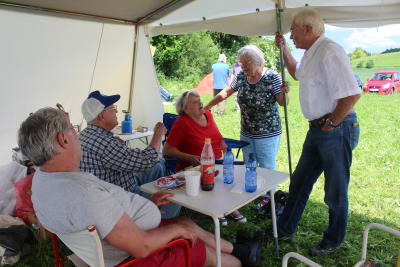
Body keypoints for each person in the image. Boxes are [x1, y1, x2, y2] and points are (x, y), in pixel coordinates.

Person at [18, 107, 264, 267]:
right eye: (72, 130)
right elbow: (142, 247)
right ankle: (241, 262)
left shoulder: (42, 181)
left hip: (116, 239)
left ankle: (242, 251)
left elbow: (104, 213)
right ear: (62, 140)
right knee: (192, 242)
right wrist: (175, 233)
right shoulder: (83, 194)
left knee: (186, 223)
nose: (76, 135)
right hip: (128, 258)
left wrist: (145, 205)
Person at [273, 8, 361, 256]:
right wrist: (284, 50)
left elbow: (352, 94)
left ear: (308, 29)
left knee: (334, 189)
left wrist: (331, 124)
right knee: (299, 181)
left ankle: (333, 239)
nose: (291, 36)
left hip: (336, 127)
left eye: (293, 31)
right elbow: (295, 72)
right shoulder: (313, 52)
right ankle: (285, 228)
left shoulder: (329, 50)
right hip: (319, 129)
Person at [79, 90, 179, 218]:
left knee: (157, 166)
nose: (116, 112)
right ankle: (152, 216)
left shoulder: (84, 135)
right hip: (122, 200)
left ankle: (154, 200)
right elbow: (146, 161)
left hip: (106, 191)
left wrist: (117, 146)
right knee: (175, 198)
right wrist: (158, 135)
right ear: (101, 116)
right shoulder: (105, 143)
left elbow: (123, 158)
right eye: (112, 108)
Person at [163, 91, 247, 225]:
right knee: (213, 175)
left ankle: (227, 206)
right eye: (195, 102)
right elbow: (167, 150)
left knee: (234, 171)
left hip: (217, 160)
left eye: (199, 100)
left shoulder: (207, 114)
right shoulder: (181, 123)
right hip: (194, 167)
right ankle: (218, 208)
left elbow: (218, 136)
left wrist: (223, 145)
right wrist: (189, 157)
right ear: (186, 109)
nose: (200, 103)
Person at [205, 45, 289, 171]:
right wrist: (208, 106)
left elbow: (283, 102)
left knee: (267, 169)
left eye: (246, 63)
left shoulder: (272, 77)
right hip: (246, 133)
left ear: (258, 62)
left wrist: (285, 93)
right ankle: (252, 190)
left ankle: (269, 192)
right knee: (249, 167)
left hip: (267, 134)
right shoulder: (241, 76)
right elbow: (226, 92)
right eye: (241, 63)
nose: (243, 66)